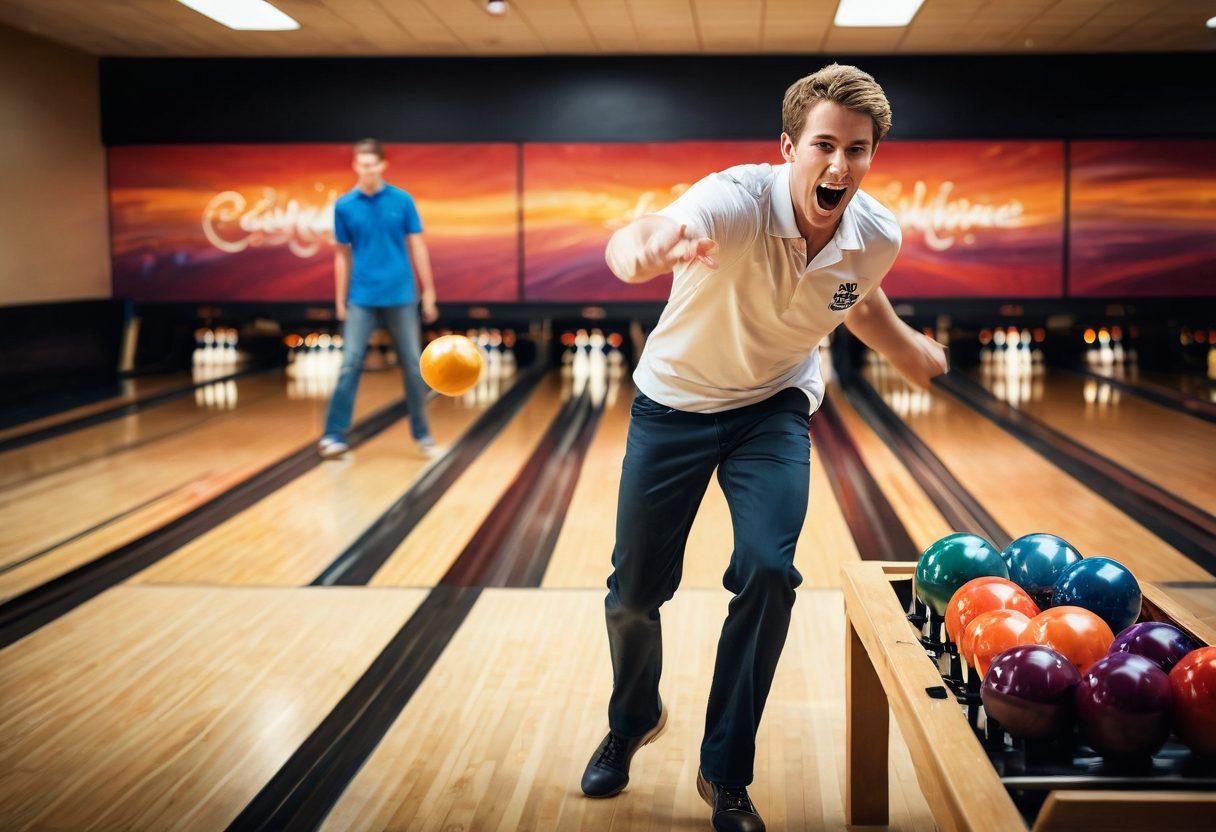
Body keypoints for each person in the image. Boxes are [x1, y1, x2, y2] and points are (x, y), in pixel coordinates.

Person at [581, 64, 948, 832]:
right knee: (634, 594)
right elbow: (639, 236)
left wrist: (909, 348)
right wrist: (646, 251)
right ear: (788, 147)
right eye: (824, 146)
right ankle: (632, 717)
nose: (840, 165)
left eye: (858, 149)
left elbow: (858, 295)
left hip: (773, 409)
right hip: (674, 403)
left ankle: (726, 771)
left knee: (770, 572)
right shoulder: (731, 202)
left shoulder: (877, 232)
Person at [318, 138, 441, 459]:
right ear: (355, 166)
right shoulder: (345, 206)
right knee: (350, 364)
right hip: (361, 295)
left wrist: (428, 291)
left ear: (382, 165)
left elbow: (417, 246)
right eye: (361, 164)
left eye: (372, 164)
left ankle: (423, 435)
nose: (367, 169)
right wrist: (339, 299)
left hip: (401, 294)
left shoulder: (402, 200)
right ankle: (333, 434)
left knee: (414, 367)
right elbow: (342, 256)